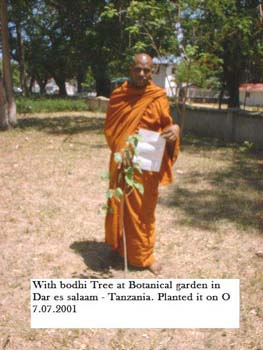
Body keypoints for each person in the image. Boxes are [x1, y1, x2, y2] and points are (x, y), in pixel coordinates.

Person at [104, 53, 180, 275]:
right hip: (123, 162)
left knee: (144, 211)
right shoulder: (119, 96)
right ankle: (120, 247)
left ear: (152, 71)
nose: (142, 74)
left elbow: (167, 126)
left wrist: (175, 130)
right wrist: (122, 150)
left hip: (147, 163)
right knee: (119, 206)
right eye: (138, 69)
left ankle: (144, 256)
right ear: (131, 68)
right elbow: (111, 130)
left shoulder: (158, 96)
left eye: (146, 70)